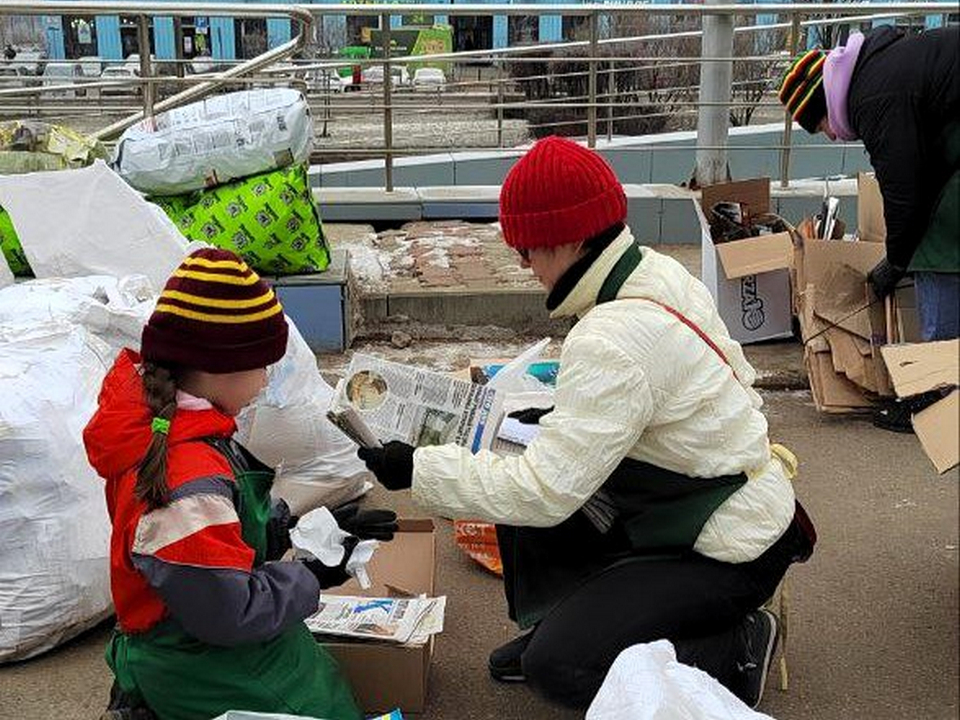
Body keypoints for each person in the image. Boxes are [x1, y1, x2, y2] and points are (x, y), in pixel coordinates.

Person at [356, 136, 816, 710]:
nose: (524, 265)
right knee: (527, 465)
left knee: (562, 667)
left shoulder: (610, 338)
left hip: (727, 550)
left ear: (572, 238)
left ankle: (739, 644)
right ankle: (582, 622)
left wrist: (418, 468)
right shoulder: (654, 272)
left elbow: (546, 493)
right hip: (709, 503)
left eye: (529, 249)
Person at [84, 248, 393, 720]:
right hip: (193, 652)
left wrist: (289, 530)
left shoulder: (168, 422)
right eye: (262, 365)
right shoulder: (187, 482)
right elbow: (230, 612)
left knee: (311, 664)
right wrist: (310, 577)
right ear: (217, 368)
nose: (267, 381)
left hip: (194, 619)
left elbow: (215, 538)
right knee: (321, 704)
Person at [778, 26, 959, 341]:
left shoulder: (874, 98)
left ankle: (941, 370)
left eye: (821, 125)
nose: (832, 135)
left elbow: (905, 189)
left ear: (825, 103)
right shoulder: (875, 70)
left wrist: (896, 262)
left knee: (935, 244)